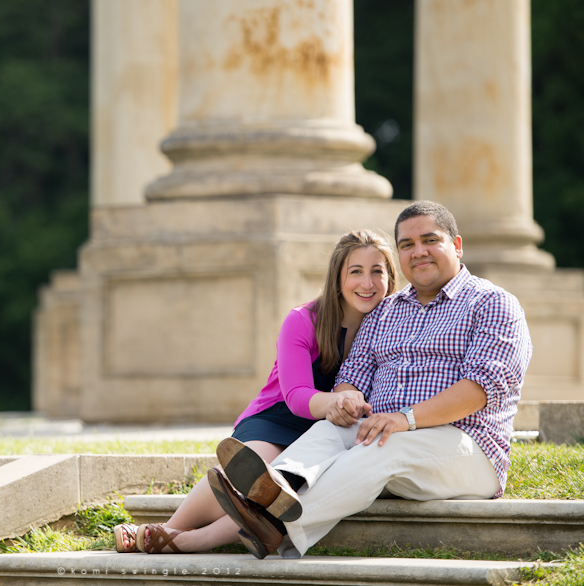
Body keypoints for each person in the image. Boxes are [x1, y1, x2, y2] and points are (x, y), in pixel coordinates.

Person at [210, 200, 533, 559]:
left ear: (456, 245)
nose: (418, 252)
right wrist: (347, 400)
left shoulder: (493, 304)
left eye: (430, 240)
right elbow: (352, 376)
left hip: (469, 451)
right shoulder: (386, 312)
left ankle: (274, 525)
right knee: (331, 431)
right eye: (407, 245)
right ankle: (276, 485)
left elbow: (479, 391)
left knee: (386, 443)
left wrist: (405, 419)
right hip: (388, 434)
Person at [113, 229, 399, 553]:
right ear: (337, 278)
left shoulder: (394, 327)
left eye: (378, 271)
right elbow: (295, 395)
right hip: (277, 418)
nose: (368, 283)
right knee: (253, 470)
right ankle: (170, 528)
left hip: (329, 434)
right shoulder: (303, 321)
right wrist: (335, 400)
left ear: (391, 277)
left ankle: (179, 539)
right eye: (356, 272)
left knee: (283, 490)